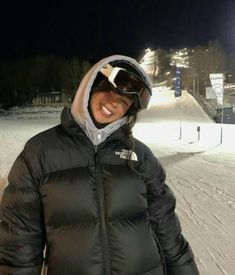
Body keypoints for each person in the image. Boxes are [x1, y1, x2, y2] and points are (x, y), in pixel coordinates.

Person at [0, 55, 199, 275]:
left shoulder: (140, 156)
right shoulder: (40, 151)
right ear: (91, 86)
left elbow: (167, 228)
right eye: (112, 92)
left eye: (124, 103)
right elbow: (19, 238)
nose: (115, 103)